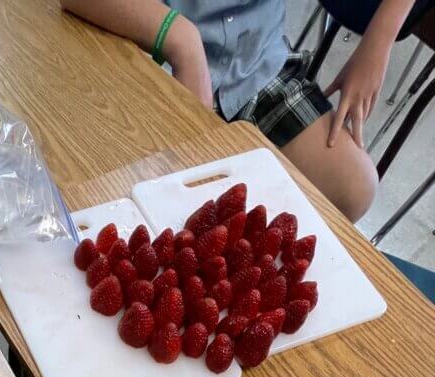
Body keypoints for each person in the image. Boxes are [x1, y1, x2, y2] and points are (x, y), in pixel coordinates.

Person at [61, 0, 418, 222]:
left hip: (256, 66)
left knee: (353, 186)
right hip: (148, 58)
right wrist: (182, 41)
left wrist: (380, 38)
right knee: (113, 203)